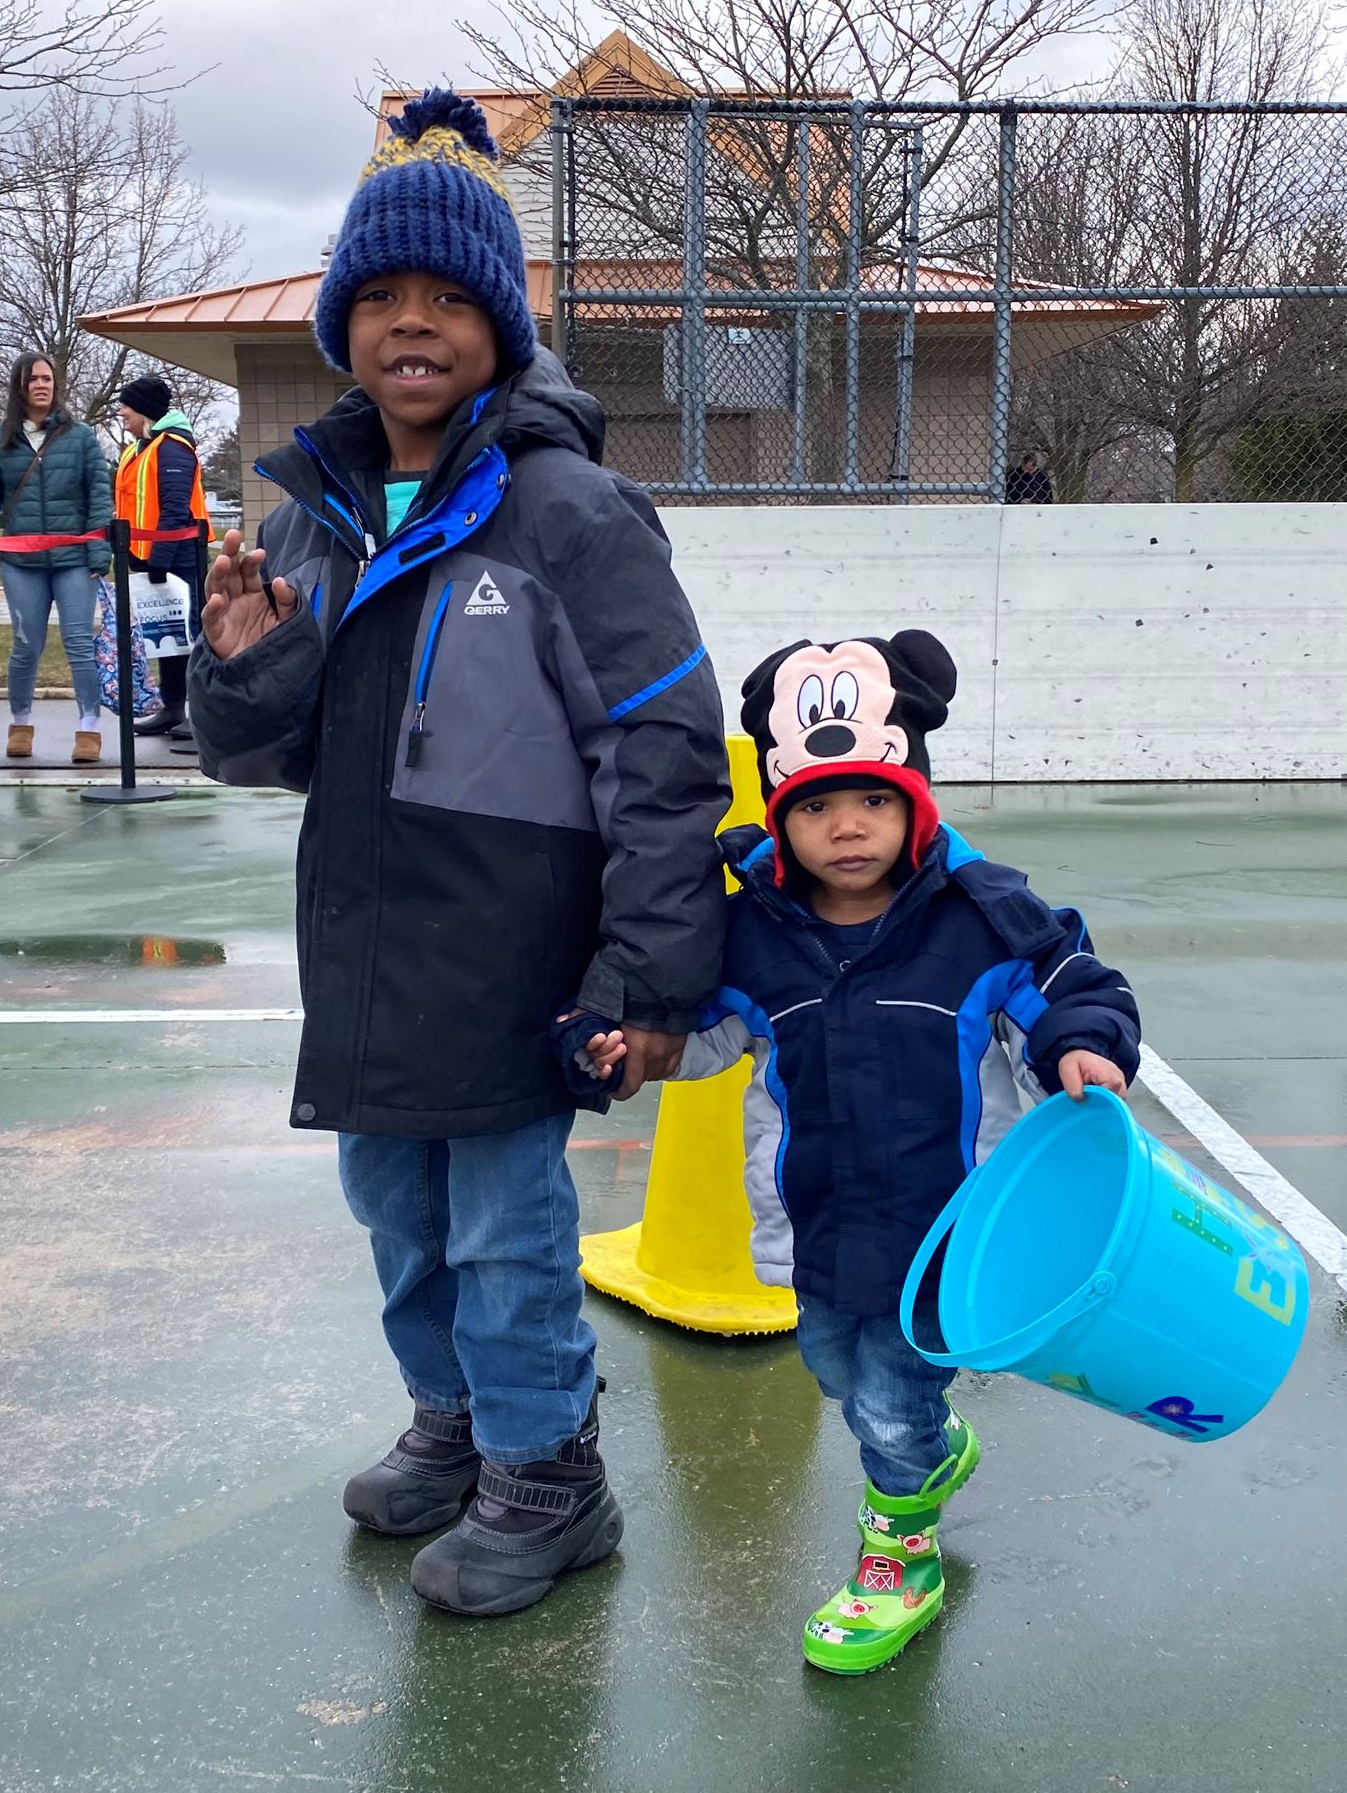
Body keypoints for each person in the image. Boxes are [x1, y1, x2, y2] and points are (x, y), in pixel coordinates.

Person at [191, 89, 730, 1618]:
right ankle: (456, 1422)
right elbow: (261, 755)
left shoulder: (570, 510)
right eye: (380, 297)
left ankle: (551, 1474)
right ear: (341, 326)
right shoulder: (318, 514)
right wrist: (243, 664)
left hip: (517, 954)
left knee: (505, 1228)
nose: (411, 324)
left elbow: (666, 749)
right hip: (366, 944)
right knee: (398, 1212)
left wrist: (648, 974)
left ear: (500, 322)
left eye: (446, 296)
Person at [566, 630, 1141, 1675]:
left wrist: (1081, 1046)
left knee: (888, 1398)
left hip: (946, 1228)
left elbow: (1069, 985)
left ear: (913, 804)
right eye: (816, 807)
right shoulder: (758, 935)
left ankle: (900, 1557)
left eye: (873, 800)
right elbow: (705, 1034)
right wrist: (638, 1052)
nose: (846, 826)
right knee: (837, 1365)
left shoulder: (979, 922)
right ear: (783, 819)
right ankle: (930, 1446)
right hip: (822, 1217)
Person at [0, 352, 111, 765]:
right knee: (25, 644)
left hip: (73, 559)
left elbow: (99, 495)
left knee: (79, 642)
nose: (41, 385)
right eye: (33, 379)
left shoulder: (81, 436)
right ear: (19, 386)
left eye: (47, 378)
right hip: (21, 561)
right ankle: (20, 725)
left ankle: (89, 728)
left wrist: (97, 550)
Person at [112, 373, 205, 750]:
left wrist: (159, 560)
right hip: (154, 558)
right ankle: (172, 708)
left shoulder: (173, 448)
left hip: (178, 559)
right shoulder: (140, 448)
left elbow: (175, 508)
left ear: (145, 410)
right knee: (167, 638)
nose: (121, 412)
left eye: (127, 406)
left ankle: (202, 716)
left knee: (193, 637)